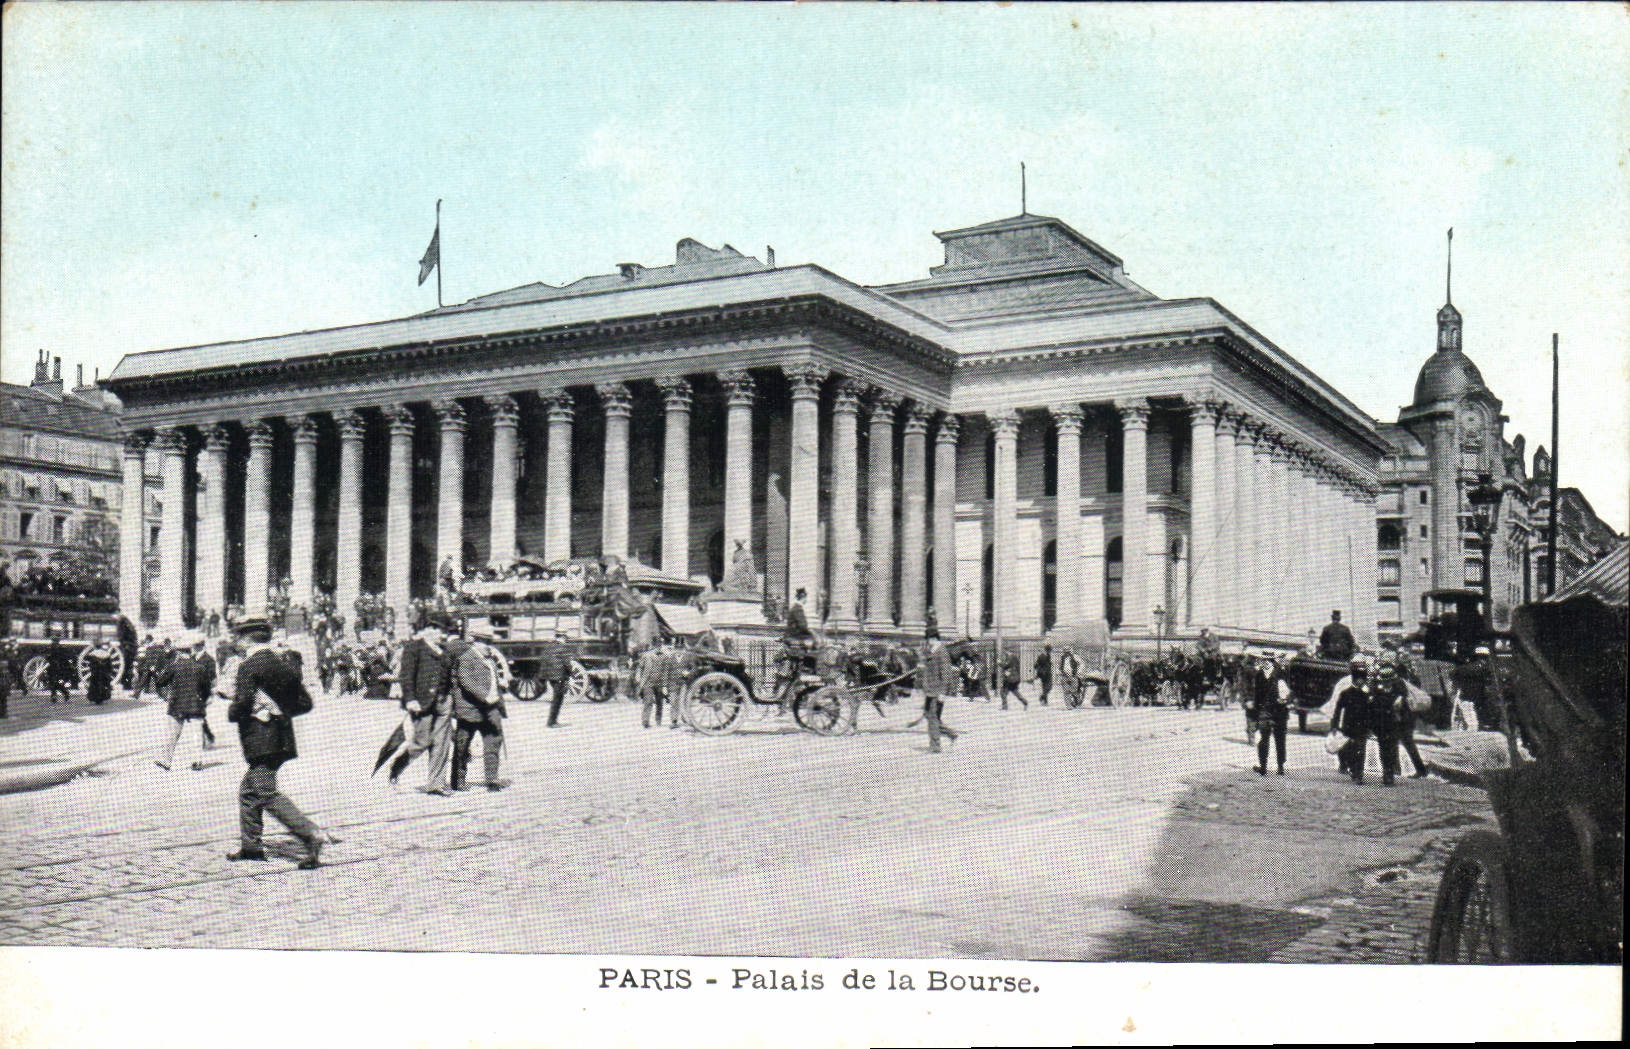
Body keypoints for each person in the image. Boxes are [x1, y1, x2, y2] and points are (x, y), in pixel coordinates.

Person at [225, 617, 325, 868]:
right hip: (281, 738)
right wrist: (279, 710)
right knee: (249, 792)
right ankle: (251, 847)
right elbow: (305, 703)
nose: (236, 642)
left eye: (237, 637)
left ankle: (310, 834)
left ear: (246, 639)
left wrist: (233, 710)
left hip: (261, 738)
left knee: (265, 792)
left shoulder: (249, 665)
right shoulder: (282, 663)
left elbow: (244, 702)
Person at [388, 614, 455, 795]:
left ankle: (436, 783)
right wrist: (410, 699)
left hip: (443, 702)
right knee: (421, 742)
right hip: (422, 702)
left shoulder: (445, 651)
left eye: (445, 632)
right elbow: (406, 676)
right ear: (429, 630)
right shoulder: (414, 648)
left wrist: (450, 698)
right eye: (441, 631)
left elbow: (450, 677)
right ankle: (396, 768)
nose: (443, 636)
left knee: (442, 743)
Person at [447, 628, 510, 792]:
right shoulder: (466, 657)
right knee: (462, 746)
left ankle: (492, 779)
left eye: (490, 643)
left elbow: (492, 680)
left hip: (491, 709)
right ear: (476, 642)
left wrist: (500, 686)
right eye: (486, 643)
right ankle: (458, 780)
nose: (490, 647)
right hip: (470, 709)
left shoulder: (489, 659)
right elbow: (465, 680)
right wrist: (484, 696)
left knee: (493, 743)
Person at [156, 633, 216, 770]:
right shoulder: (200, 668)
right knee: (196, 734)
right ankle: (197, 761)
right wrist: (203, 700)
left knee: (173, 733)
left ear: (179, 652)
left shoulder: (174, 666)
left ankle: (166, 760)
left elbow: (160, 682)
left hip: (177, 705)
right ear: (190, 651)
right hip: (196, 704)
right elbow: (206, 688)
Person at [1369, 659, 1416, 785]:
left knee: (1392, 746)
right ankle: (1387, 772)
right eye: (1385, 681)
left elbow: (1404, 698)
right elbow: (1371, 703)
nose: (1387, 683)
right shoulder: (1375, 686)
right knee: (1383, 747)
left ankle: (1390, 772)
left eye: (1389, 681)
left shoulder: (1399, 685)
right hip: (1381, 722)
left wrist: (1400, 701)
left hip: (1395, 721)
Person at [916, 625, 959, 753]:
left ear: (934, 638)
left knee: (933, 717)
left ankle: (935, 746)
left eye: (929, 639)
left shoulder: (942, 651)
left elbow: (946, 672)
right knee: (930, 716)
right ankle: (951, 734)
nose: (927, 642)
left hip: (937, 690)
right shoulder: (933, 650)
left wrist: (943, 692)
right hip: (931, 690)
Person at [1251, 653, 1293, 776]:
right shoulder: (1259, 675)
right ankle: (1263, 766)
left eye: (1269, 660)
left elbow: (1290, 689)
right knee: (1263, 738)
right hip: (1264, 709)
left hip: (1279, 710)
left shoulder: (1282, 673)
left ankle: (1280, 766)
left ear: (1273, 661)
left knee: (1280, 738)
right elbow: (1256, 694)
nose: (1266, 662)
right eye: (1264, 660)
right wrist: (1255, 711)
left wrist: (1286, 700)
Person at [1330, 666, 1372, 784]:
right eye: (1358, 679)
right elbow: (1338, 711)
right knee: (1350, 750)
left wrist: (1371, 727)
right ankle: (1353, 769)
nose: (1360, 681)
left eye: (1362, 679)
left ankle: (1358, 774)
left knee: (1360, 750)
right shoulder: (1346, 693)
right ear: (1354, 679)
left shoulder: (1366, 695)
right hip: (1348, 727)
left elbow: (1371, 712)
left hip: (1362, 727)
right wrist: (1334, 726)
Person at [83, 639, 118, 706]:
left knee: (95, 684)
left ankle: (95, 698)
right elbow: (109, 664)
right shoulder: (106, 654)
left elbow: (90, 663)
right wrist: (109, 671)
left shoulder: (93, 654)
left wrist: (92, 669)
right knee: (104, 684)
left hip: (95, 672)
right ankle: (102, 697)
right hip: (104, 672)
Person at [45, 638, 76, 703]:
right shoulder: (51, 649)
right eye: (53, 642)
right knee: (52, 682)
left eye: (55, 642)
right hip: (52, 668)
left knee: (55, 682)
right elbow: (47, 657)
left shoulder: (61, 649)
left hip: (59, 669)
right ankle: (62, 693)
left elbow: (65, 659)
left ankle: (58, 694)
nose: (54, 643)